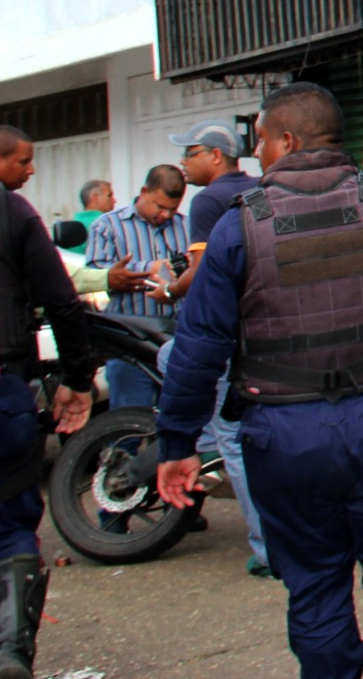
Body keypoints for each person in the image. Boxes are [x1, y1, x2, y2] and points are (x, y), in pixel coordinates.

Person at [156, 83, 363, 679]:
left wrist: (177, 443)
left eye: (259, 140)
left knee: (313, 576)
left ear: (287, 139)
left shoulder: (240, 227)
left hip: (284, 434)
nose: (256, 155)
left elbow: (198, 346)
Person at [0, 127, 93, 679]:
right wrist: (78, 378)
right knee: (5, 528)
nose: (31, 170)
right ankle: (9, 653)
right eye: (23, 160)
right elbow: (62, 302)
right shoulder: (12, 211)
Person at [154, 119, 272, 578]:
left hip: (223, 333)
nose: (184, 162)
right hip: (260, 333)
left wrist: (167, 291)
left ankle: (267, 549)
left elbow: (202, 274)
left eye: (192, 152)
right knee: (168, 360)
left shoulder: (208, 200)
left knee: (233, 439)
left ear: (216, 156)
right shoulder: (260, 187)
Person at [84, 164, 190, 410]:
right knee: (129, 416)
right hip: (129, 343)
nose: (165, 215)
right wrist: (149, 268)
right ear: (144, 191)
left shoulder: (187, 226)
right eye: (160, 206)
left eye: (172, 210)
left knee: (178, 419)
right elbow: (96, 272)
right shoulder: (107, 226)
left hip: (176, 340)